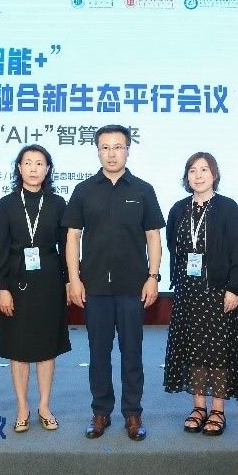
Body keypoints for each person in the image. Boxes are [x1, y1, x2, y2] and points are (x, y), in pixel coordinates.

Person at [63, 124, 165, 441]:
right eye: (105, 147)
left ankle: (133, 414)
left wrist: (153, 277)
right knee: (99, 353)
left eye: (118, 147)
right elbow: (73, 237)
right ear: (98, 151)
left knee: (132, 353)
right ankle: (101, 412)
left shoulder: (143, 190)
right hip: (94, 286)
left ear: (127, 150)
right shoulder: (83, 190)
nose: (111, 153)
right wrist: (73, 279)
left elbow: (153, 236)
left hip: (133, 286)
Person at [0, 144, 71, 433]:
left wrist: (70, 280)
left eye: (39, 163)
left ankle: (44, 405)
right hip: (16, 282)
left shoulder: (58, 203)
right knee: (18, 348)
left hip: (49, 282)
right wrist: (2, 287)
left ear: (48, 169)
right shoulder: (6, 204)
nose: (34, 169)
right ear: (19, 168)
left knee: (46, 347)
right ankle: (22, 407)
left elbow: (66, 247)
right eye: (28, 163)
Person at [164, 152, 238, 437]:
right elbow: (173, 248)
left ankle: (217, 410)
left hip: (218, 291)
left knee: (218, 351)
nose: (198, 175)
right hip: (188, 292)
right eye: (192, 170)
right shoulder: (179, 209)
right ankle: (198, 407)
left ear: (214, 175)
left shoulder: (227, 207)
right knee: (194, 349)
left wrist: (235, 288)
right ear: (186, 176)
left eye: (204, 169)